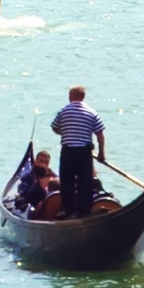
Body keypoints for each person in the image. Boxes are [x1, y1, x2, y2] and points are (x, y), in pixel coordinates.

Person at [50, 86, 105, 220]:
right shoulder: (92, 112)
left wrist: (66, 131)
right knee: (84, 182)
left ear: (72, 96)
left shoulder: (63, 110)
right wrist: (101, 153)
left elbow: (55, 127)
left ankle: (68, 210)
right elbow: (99, 134)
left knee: (66, 181)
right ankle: (83, 211)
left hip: (68, 151)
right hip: (84, 153)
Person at [16, 151, 59, 217]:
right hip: (32, 206)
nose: (43, 164)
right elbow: (25, 194)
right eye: (41, 161)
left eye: (46, 162)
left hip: (50, 204)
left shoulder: (53, 177)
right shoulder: (27, 177)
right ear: (36, 161)